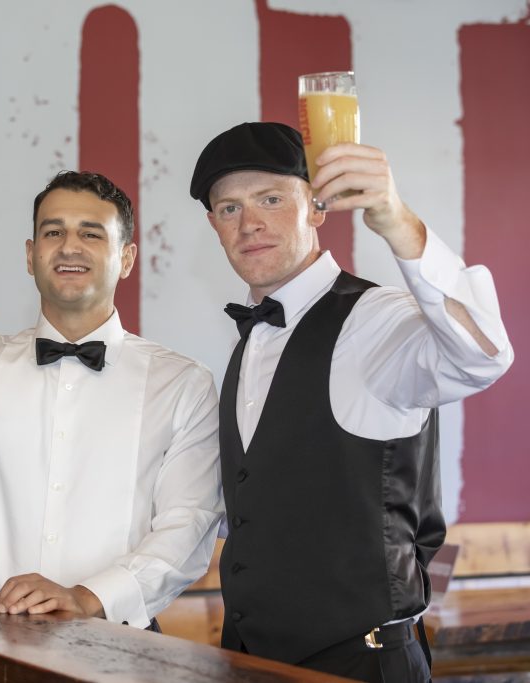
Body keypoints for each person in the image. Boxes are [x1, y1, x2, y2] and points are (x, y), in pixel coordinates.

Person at [189, 122, 513, 682]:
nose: (251, 224)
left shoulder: (376, 319)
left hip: (362, 664)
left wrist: (396, 219)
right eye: (229, 208)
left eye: (271, 199)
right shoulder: (250, 343)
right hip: (247, 659)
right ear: (214, 225)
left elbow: (482, 356)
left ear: (316, 208)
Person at [0, 171, 223, 630]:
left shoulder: (184, 383)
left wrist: (88, 597)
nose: (69, 246)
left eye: (91, 233)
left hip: (124, 651)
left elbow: (189, 524)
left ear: (126, 259)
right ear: (31, 256)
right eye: (53, 232)